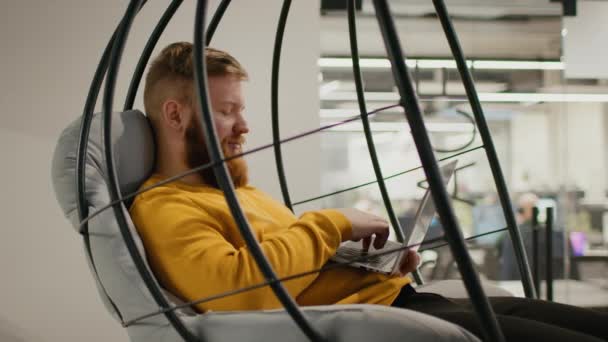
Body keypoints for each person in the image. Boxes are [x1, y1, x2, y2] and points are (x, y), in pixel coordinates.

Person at [130, 42, 607, 341]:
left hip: (400, 296)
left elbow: (295, 266)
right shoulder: (165, 204)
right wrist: (333, 222)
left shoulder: (234, 192)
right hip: (388, 315)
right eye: (228, 111)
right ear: (175, 115)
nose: (245, 126)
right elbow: (240, 291)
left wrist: (364, 254)